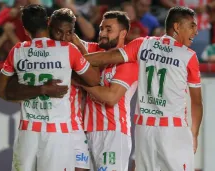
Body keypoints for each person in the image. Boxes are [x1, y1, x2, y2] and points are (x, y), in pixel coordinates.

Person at [84, 6, 203, 171]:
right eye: (192, 26)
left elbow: (109, 56)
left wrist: (75, 61)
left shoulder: (143, 44)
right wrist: (194, 134)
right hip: (173, 130)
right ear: (177, 27)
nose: (196, 31)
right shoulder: (188, 55)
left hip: (143, 129)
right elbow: (197, 102)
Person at [0, 4, 99, 171]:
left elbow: (0, 91)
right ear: (48, 22)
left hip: (28, 130)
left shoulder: (18, 50)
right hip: (57, 132)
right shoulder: (68, 49)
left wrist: (37, 89)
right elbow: (94, 80)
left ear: (25, 28)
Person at [76, 11, 138, 171]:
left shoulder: (129, 63)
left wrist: (81, 80)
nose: (102, 33)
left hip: (113, 133)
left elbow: (111, 98)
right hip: (86, 131)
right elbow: (73, 44)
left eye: (108, 30)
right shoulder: (95, 50)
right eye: (101, 28)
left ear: (123, 33)